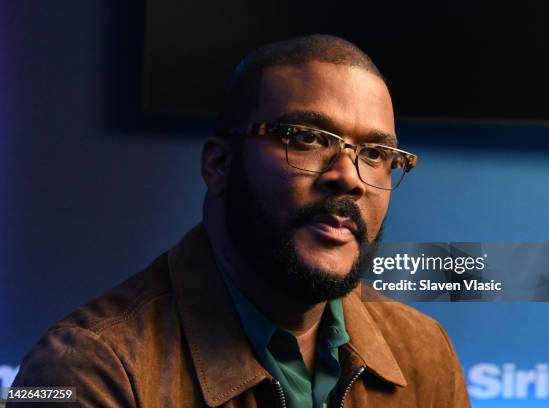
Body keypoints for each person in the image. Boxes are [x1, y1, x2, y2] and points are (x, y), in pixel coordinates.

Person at [9, 35, 470, 407]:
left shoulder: (424, 352)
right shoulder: (85, 369)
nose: (348, 178)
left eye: (375, 154)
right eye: (307, 138)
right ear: (219, 165)